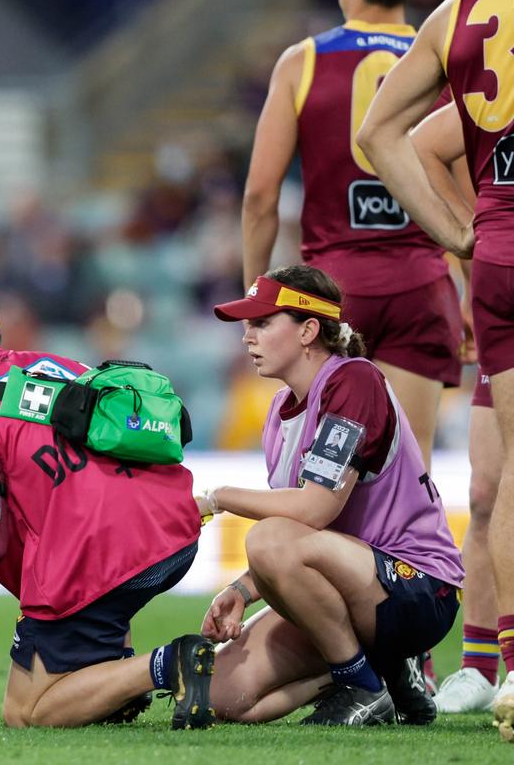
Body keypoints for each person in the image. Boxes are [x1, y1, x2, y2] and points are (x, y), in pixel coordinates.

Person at [0, 267, 216, 730]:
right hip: (173, 530)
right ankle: (113, 677)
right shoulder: (51, 364)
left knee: (26, 714)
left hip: (102, 556)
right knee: (83, 603)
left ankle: (168, 664)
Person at [197, 265, 463, 726]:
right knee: (223, 699)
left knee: (265, 539)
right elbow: (303, 535)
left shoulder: (353, 381)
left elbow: (313, 511)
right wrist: (242, 589)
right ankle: (378, 674)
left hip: (419, 587)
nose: (247, 337)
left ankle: (360, 686)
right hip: (355, 586)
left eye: (261, 323)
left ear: (309, 330)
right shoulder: (280, 410)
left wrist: (217, 497)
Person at [357, 0, 514, 740]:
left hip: (498, 271)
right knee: (495, 479)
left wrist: (470, 239)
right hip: (496, 261)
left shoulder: (461, 17)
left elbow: (390, 136)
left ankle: (491, 660)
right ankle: (493, 665)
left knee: (495, 480)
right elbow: (416, 142)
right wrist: (462, 234)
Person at [241, 0, 462, 472]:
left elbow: (261, 196)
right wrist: (469, 293)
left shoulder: (304, 61)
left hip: (330, 295)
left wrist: (257, 299)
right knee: (409, 472)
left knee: (323, 475)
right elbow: (465, 191)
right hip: (420, 287)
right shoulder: (446, 55)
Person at [409, 101, 505, 712]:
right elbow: (419, 143)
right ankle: (480, 665)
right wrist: (467, 240)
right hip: (508, 300)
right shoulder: (496, 79)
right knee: (486, 493)